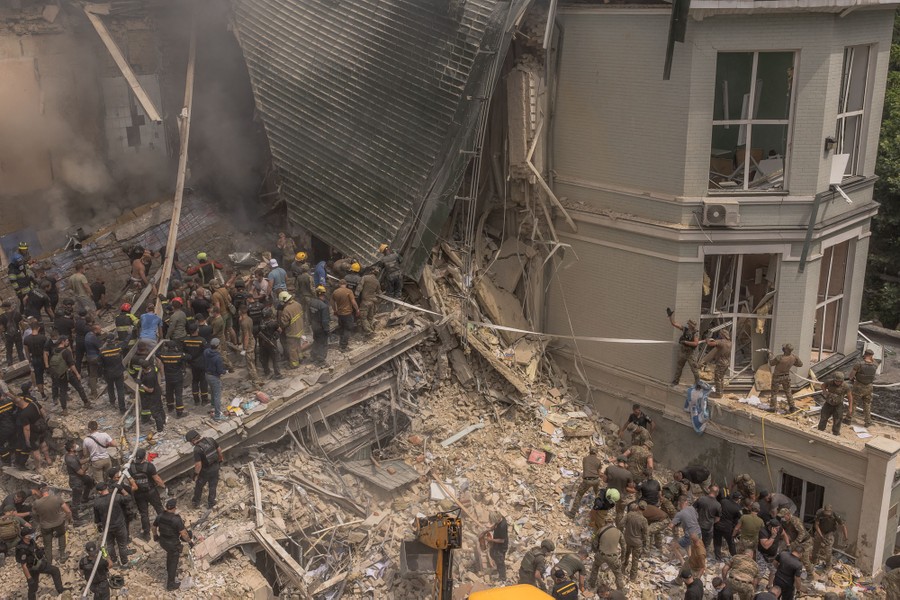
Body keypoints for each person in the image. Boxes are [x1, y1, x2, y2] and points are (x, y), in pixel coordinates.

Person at [153, 498, 192, 591]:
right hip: (172, 544)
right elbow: (184, 534)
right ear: (174, 508)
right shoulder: (176, 519)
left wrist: (155, 536)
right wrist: (190, 542)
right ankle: (170, 584)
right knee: (174, 561)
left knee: (169, 555)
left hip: (163, 542)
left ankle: (169, 571)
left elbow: (153, 527)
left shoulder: (160, 516)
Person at [16, 528, 66, 600]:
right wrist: (29, 578)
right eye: (31, 534)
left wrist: (40, 552)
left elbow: (36, 550)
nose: (33, 535)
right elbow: (23, 565)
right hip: (31, 568)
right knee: (33, 587)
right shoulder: (22, 549)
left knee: (55, 570)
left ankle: (60, 590)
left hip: (39, 564)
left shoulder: (31, 541)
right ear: (26, 536)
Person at [129, 447, 165, 541]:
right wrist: (163, 486)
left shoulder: (130, 467)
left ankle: (146, 534)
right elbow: (157, 479)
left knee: (144, 513)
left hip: (138, 494)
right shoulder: (149, 466)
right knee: (159, 508)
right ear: (144, 456)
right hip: (151, 492)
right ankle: (165, 527)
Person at [91, 482, 130, 568]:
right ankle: (125, 563)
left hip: (107, 527)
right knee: (122, 545)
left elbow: (97, 519)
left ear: (99, 492)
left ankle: (114, 561)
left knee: (110, 545)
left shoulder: (97, 502)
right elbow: (128, 498)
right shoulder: (116, 497)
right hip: (119, 525)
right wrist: (122, 489)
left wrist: (99, 525)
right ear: (107, 488)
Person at [31, 484, 72, 563]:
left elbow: (34, 515)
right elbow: (68, 511)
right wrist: (68, 519)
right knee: (61, 535)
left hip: (45, 526)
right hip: (58, 523)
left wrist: (40, 522)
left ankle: (49, 561)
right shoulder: (57, 498)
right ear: (48, 489)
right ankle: (62, 556)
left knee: (47, 544)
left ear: (40, 491)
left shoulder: (36, 503)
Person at [48, 336, 91, 410]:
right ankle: (86, 402)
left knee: (62, 392)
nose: (68, 342)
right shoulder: (66, 351)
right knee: (79, 387)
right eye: (67, 341)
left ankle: (64, 410)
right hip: (68, 373)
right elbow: (72, 365)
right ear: (63, 342)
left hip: (59, 374)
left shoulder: (53, 351)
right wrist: (77, 374)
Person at [187, 430, 223, 509]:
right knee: (213, 486)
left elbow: (198, 465)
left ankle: (196, 502)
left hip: (205, 471)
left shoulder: (197, 449)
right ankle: (211, 503)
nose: (191, 443)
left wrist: (195, 475)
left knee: (199, 486)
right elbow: (219, 450)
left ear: (193, 440)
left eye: (190, 441)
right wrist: (220, 461)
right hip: (215, 467)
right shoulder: (210, 440)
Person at [12, 392, 49, 470]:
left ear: (17, 405)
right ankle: (48, 459)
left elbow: (27, 428)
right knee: (43, 442)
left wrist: (27, 440)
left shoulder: (23, 414)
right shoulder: (34, 404)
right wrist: (44, 421)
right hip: (42, 427)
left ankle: (38, 468)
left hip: (34, 432)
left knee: (36, 450)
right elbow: (43, 412)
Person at [588, 522, 625, 592]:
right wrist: (622, 558)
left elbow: (594, 542)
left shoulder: (600, 530)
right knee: (618, 573)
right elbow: (624, 546)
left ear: (605, 523)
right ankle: (620, 589)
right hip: (612, 557)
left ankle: (592, 584)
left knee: (595, 567)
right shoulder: (619, 532)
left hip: (601, 554)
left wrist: (595, 551)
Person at [778, 508, 813, 579]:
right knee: (792, 556)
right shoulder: (786, 522)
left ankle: (810, 575)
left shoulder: (795, 521)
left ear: (788, 515)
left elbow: (802, 533)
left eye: (783, 516)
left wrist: (795, 543)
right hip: (796, 541)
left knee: (804, 559)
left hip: (805, 542)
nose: (782, 518)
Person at [812, 504, 847, 573]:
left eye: (828, 514)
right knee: (815, 547)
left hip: (829, 533)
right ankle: (814, 561)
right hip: (820, 531)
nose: (827, 515)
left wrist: (846, 537)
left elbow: (843, 526)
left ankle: (828, 566)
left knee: (828, 551)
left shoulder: (835, 515)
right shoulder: (820, 513)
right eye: (825, 513)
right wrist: (821, 536)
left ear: (831, 511)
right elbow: (816, 525)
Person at [668, 309, 700, 385]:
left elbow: (695, 343)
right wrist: (670, 316)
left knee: (694, 368)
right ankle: (676, 381)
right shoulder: (685, 329)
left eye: (689, 324)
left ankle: (698, 383)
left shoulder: (695, 333)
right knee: (679, 367)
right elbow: (674, 324)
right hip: (683, 351)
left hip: (690, 353)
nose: (688, 325)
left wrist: (686, 342)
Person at [768, 344, 803, 412]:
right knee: (788, 392)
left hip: (777, 377)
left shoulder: (779, 357)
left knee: (774, 393)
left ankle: (772, 408)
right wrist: (791, 363)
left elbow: (771, 363)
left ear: (785, 350)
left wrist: (770, 356)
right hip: (786, 377)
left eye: (784, 348)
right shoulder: (794, 357)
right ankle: (792, 407)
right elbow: (800, 364)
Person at [569, 447, 602, 517]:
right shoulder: (598, 461)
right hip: (596, 480)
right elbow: (599, 473)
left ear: (589, 452)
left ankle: (572, 513)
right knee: (598, 495)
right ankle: (600, 513)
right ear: (596, 453)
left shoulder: (585, 459)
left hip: (587, 480)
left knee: (579, 494)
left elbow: (586, 468)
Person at [63, 440, 92, 522]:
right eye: (74, 445)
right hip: (76, 481)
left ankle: (85, 498)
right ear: (71, 449)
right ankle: (76, 520)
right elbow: (81, 472)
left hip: (79, 478)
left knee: (89, 481)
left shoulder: (71, 455)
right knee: (75, 502)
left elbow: (79, 462)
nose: (76, 446)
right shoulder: (71, 460)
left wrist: (88, 459)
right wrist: (88, 465)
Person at [817, 371, 852, 436]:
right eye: (836, 381)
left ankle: (835, 433)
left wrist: (850, 408)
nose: (838, 383)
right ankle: (820, 429)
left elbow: (850, 397)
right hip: (828, 403)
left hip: (838, 405)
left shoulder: (845, 386)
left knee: (838, 419)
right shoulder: (829, 382)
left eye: (840, 381)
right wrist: (825, 391)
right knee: (824, 417)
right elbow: (823, 386)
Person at [848, 348, 877, 426]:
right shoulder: (875, 364)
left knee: (853, 402)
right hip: (869, 387)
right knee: (867, 404)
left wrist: (852, 378)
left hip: (858, 386)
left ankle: (848, 418)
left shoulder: (859, 364)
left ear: (865, 354)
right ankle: (868, 421)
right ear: (872, 356)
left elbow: (851, 376)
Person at [158, 341, 187, 417]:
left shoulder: (164, 355)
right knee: (178, 395)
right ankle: (179, 412)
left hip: (168, 377)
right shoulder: (179, 355)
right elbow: (188, 357)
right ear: (175, 347)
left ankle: (170, 407)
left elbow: (157, 353)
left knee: (169, 392)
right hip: (178, 377)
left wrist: (162, 345)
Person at [182, 322, 209, 405]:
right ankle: (204, 400)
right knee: (203, 381)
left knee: (195, 381)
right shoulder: (202, 340)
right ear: (197, 329)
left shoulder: (185, 340)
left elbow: (184, 352)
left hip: (192, 364)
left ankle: (196, 400)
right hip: (201, 363)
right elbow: (207, 351)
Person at [670, 497, 701, 564]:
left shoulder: (680, 513)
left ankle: (682, 562)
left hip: (690, 535)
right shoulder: (692, 508)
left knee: (674, 547)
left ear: (679, 504)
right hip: (698, 533)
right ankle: (690, 560)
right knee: (688, 545)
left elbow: (671, 525)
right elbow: (697, 517)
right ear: (686, 502)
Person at [622, 502, 648, 582]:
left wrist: (626, 530)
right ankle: (632, 578)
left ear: (637, 507)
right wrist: (645, 544)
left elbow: (620, 524)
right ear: (645, 509)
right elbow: (645, 534)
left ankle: (622, 569)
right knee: (635, 560)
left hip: (627, 539)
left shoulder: (629, 515)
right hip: (637, 542)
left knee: (626, 554)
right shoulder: (644, 520)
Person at [278, 291, 305, 368]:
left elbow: (284, 323)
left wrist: (280, 324)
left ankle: (294, 364)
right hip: (300, 329)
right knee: (298, 345)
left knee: (292, 349)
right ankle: (300, 358)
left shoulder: (286, 309)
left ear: (284, 300)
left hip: (292, 332)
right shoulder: (298, 304)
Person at [702, 329, 732, 398]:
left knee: (717, 377)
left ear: (722, 335)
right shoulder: (729, 343)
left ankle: (718, 393)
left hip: (721, 362)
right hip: (727, 362)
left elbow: (710, 344)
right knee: (721, 377)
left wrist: (707, 339)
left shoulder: (721, 342)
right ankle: (721, 391)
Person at [237, 305, 262, 386]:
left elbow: (246, 335)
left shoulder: (244, 322)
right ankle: (252, 377)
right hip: (252, 340)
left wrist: (244, 348)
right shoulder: (249, 319)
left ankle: (256, 382)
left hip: (249, 343)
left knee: (250, 363)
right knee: (251, 361)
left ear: (240, 312)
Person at [330, 279, 359, 352]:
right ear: (345, 284)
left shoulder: (335, 292)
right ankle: (343, 346)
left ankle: (341, 344)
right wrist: (357, 309)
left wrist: (335, 310)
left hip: (340, 314)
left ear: (339, 284)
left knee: (342, 328)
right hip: (347, 313)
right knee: (348, 329)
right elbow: (353, 302)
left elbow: (332, 303)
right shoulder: (349, 291)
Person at [138, 358, 166, 431]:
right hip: (157, 392)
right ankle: (163, 421)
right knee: (160, 407)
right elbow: (158, 364)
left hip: (153, 395)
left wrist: (141, 384)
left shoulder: (149, 377)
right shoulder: (153, 369)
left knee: (155, 412)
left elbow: (150, 390)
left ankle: (160, 429)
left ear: (143, 368)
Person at [715, 490, 743, 560]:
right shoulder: (737, 508)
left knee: (717, 542)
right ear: (738, 499)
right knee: (731, 543)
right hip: (727, 528)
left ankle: (717, 558)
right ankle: (734, 557)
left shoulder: (723, 501)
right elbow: (741, 517)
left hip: (717, 525)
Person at [22, 323, 48, 399]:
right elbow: (46, 350)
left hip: (34, 358)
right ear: (38, 328)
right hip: (43, 358)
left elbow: (26, 351)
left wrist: (29, 360)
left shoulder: (26, 339)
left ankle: (43, 395)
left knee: (38, 377)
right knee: (52, 374)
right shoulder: (43, 338)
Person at [203, 338, 227, 421]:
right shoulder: (217, 357)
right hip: (214, 376)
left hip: (207, 375)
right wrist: (225, 371)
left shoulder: (206, 351)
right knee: (217, 395)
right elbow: (220, 371)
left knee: (212, 390)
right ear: (218, 346)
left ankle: (213, 404)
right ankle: (217, 416)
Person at [481, 511, 508, 582]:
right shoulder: (500, 518)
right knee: (492, 553)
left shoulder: (502, 526)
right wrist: (489, 529)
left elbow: (502, 540)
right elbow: (495, 525)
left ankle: (502, 578)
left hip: (501, 546)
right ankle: (497, 567)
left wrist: (491, 540)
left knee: (500, 561)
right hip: (496, 543)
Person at [693, 485, 721, 552]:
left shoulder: (701, 499)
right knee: (706, 545)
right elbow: (717, 519)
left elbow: (692, 509)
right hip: (708, 527)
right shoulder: (718, 505)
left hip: (698, 524)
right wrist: (711, 522)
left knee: (696, 543)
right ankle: (704, 558)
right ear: (717, 493)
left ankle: (695, 557)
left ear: (709, 490)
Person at [308, 286, 331, 366]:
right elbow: (325, 320)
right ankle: (320, 360)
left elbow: (309, 315)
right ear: (324, 294)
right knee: (323, 343)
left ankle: (313, 356)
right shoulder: (323, 306)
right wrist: (327, 330)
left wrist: (310, 323)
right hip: (321, 328)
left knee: (316, 341)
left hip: (314, 327)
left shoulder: (311, 302)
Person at [258, 308, 282, 379]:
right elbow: (280, 330)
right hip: (271, 342)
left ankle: (267, 372)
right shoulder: (273, 323)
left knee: (265, 358)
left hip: (263, 343)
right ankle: (277, 374)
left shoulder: (261, 323)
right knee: (275, 359)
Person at [357, 267, 381, 336]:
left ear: (370, 272)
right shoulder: (377, 282)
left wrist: (356, 294)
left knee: (363, 318)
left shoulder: (365, 277)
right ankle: (371, 330)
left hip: (365, 302)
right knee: (370, 318)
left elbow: (359, 287)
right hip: (372, 303)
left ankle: (370, 332)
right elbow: (379, 292)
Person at [0, 301, 24, 367]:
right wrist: (23, 331)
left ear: (5, 308)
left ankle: (10, 365)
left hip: (8, 335)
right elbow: (22, 324)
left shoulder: (1, 316)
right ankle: (23, 362)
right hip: (17, 333)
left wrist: (2, 335)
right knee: (20, 350)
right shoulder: (17, 313)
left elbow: (1, 328)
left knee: (9, 351)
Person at [84, 323, 103, 399]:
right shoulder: (93, 338)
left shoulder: (87, 335)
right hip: (95, 357)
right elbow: (100, 348)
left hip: (89, 356)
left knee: (92, 375)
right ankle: (95, 392)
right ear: (95, 330)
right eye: (99, 330)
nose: (101, 330)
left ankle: (93, 391)